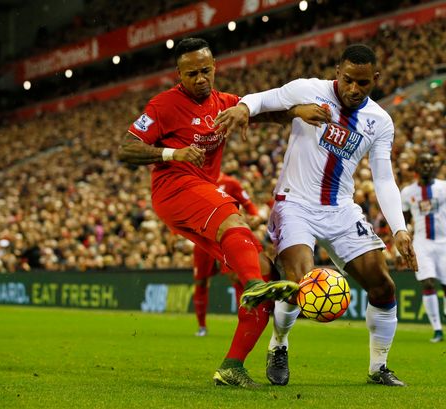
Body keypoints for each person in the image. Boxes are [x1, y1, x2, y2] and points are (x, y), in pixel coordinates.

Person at [117, 37, 317, 388]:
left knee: (267, 273)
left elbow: (261, 113)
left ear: (215, 68)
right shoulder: (163, 105)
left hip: (201, 198)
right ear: (178, 74)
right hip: (175, 189)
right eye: (191, 73)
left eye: (205, 70)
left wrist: (294, 113)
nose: (200, 78)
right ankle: (252, 284)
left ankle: (232, 367)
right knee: (230, 214)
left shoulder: (224, 103)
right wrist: (171, 154)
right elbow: (126, 150)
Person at [216, 44, 418, 387]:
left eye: (364, 83)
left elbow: (383, 177)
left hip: (341, 208)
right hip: (294, 203)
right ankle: (279, 345)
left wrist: (399, 229)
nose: (355, 89)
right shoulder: (308, 89)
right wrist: (242, 108)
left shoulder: (380, 121)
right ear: (337, 72)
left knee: (383, 286)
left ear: (376, 80)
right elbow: (262, 99)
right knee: (298, 282)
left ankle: (378, 368)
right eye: (349, 80)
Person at [401, 153, 446, 343]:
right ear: (416, 167)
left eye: (431, 162)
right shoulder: (407, 192)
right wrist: (403, 239)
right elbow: (404, 220)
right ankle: (437, 329)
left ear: (435, 166)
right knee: (428, 283)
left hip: (445, 244)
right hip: (422, 244)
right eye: (423, 162)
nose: (427, 166)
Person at [193, 172, 261, 337]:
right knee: (201, 281)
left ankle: (246, 323)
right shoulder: (194, 179)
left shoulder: (230, 183)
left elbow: (249, 205)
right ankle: (202, 326)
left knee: (235, 276)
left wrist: (255, 216)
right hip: (202, 239)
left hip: (224, 236)